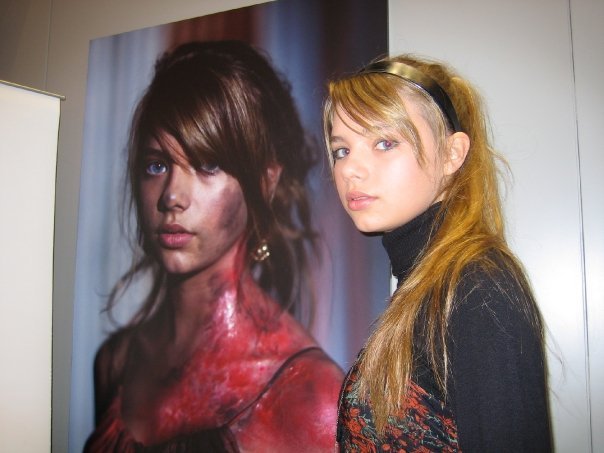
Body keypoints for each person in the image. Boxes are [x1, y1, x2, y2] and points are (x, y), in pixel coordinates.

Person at [84, 40, 343, 452]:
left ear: (265, 182)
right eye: (156, 165)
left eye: (207, 164)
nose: (172, 196)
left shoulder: (311, 396)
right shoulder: (117, 361)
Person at [323, 54, 552, 451]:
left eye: (384, 143)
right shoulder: (424, 283)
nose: (350, 170)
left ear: (451, 154)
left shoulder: (477, 288)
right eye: (341, 150)